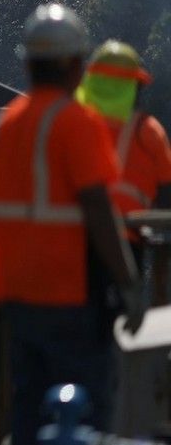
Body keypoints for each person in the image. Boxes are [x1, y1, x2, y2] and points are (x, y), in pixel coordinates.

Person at [0, 4, 146, 445]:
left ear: (28, 64)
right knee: (86, 411)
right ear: (76, 65)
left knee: (29, 406)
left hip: (16, 292)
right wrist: (129, 282)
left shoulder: (10, 123)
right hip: (68, 293)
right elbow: (98, 210)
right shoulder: (76, 122)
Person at [78, 40, 171, 303]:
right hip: (129, 239)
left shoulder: (75, 125)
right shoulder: (148, 131)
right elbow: (167, 191)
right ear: (137, 86)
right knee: (123, 310)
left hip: (80, 239)